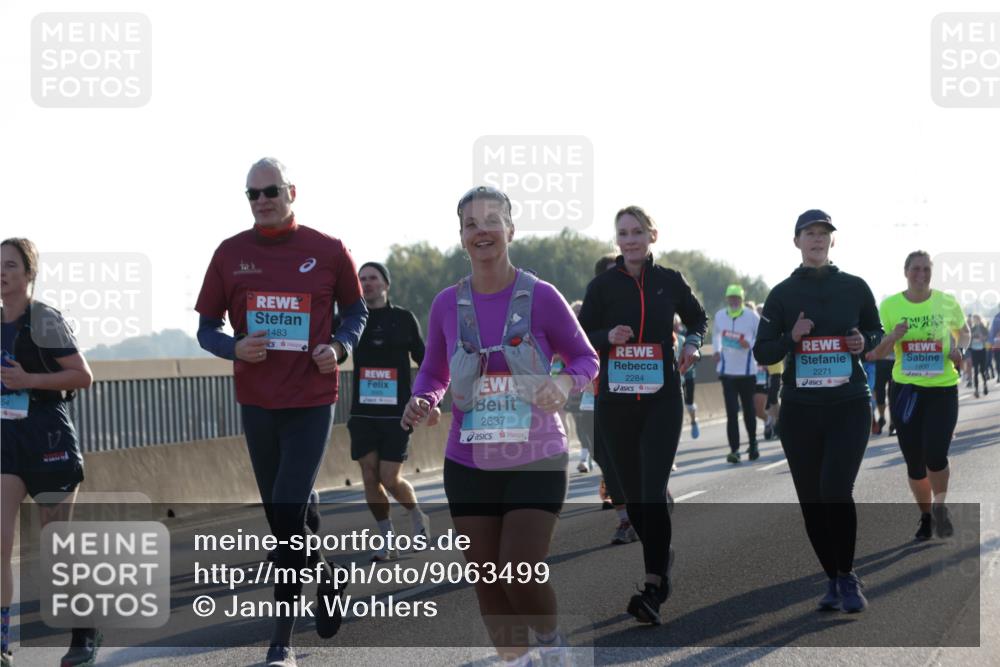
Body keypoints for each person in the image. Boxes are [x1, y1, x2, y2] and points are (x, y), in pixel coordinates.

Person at [401, 186, 598, 666]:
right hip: (467, 457)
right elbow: (433, 370)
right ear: (462, 237)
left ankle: (551, 646)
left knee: (519, 569)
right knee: (487, 577)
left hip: (536, 455)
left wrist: (566, 385)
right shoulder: (448, 304)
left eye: (492, 221)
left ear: (511, 229)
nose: (481, 231)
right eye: (471, 224)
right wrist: (423, 399)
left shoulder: (542, 296)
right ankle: (515, 659)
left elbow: (586, 359)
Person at [195, 158, 366, 667]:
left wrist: (338, 347)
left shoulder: (329, 250)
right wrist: (234, 349)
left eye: (271, 190)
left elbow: (355, 310)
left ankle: (281, 641)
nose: (262, 200)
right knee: (281, 520)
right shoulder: (230, 253)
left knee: (290, 509)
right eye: (252, 194)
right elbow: (207, 328)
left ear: (291, 191)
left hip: (311, 400)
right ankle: (329, 571)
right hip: (258, 403)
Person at [578, 205, 707, 625]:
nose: (630, 240)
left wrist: (692, 343)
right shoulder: (602, 286)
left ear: (653, 235)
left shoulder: (669, 281)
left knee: (652, 491)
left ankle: (653, 585)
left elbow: (697, 318)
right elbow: (580, 338)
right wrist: (605, 337)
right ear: (617, 240)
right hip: (615, 402)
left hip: (660, 399)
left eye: (637, 232)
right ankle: (660, 550)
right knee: (629, 496)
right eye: (623, 233)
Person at [753, 209, 883, 614]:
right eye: (809, 233)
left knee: (835, 489)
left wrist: (863, 340)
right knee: (811, 499)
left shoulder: (855, 287)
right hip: (801, 410)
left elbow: (875, 331)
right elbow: (763, 350)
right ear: (797, 241)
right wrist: (791, 337)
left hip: (848, 404)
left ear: (832, 242)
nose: (817, 239)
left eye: (823, 233)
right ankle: (832, 577)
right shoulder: (781, 294)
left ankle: (847, 576)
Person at [1, 238, 97, 667]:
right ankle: (2, 641)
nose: (1, 272)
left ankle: (84, 631)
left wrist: (29, 380)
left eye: (10, 265)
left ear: (29, 273)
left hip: (49, 436)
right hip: (7, 439)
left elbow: (82, 375)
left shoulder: (45, 320)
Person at [866, 250, 969, 541]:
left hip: (942, 388)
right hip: (906, 391)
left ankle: (940, 507)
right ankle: (925, 516)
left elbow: (964, 333)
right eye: (915, 269)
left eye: (926, 269)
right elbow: (879, 353)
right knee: (914, 461)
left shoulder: (946, 302)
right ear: (905, 271)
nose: (921, 274)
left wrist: (957, 348)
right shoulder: (889, 306)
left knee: (936, 455)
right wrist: (893, 337)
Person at [349, 261, 435, 562]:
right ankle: (386, 539)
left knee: (389, 478)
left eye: (373, 278)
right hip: (362, 412)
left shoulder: (403, 319)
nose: (367, 283)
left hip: (397, 412)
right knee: (369, 475)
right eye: (362, 279)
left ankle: (416, 516)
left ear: (386, 284)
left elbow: (425, 360)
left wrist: (428, 400)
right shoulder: (350, 319)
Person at [713, 284, 761, 462]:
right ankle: (734, 450)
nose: (733, 301)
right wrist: (717, 351)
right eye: (731, 297)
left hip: (747, 372)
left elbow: (761, 335)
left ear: (741, 299)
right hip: (727, 372)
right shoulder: (720, 315)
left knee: (749, 410)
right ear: (727, 299)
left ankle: (754, 443)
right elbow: (716, 335)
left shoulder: (751, 316)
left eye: (737, 298)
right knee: (731, 413)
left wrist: (749, 342)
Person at [674, 315, 700, 439]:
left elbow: (694, 355)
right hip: (674, 377)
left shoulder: (683, 339)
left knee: (689, 403)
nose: (676, 327)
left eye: (676, 325)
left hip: (687, 375)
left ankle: (694, 421)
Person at [968, 315, 990, 397]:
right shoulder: (972, 329)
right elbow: (968, 338)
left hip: (982, 351)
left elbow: (988, 337)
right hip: (974, 351)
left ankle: (985, 385)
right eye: (974, 320)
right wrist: (972, 336)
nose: (975, 321)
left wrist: (983, 338)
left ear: (979, 319)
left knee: (982, 370)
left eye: (976, 319)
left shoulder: (983, 328)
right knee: (976, 371)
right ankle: (976, 389)